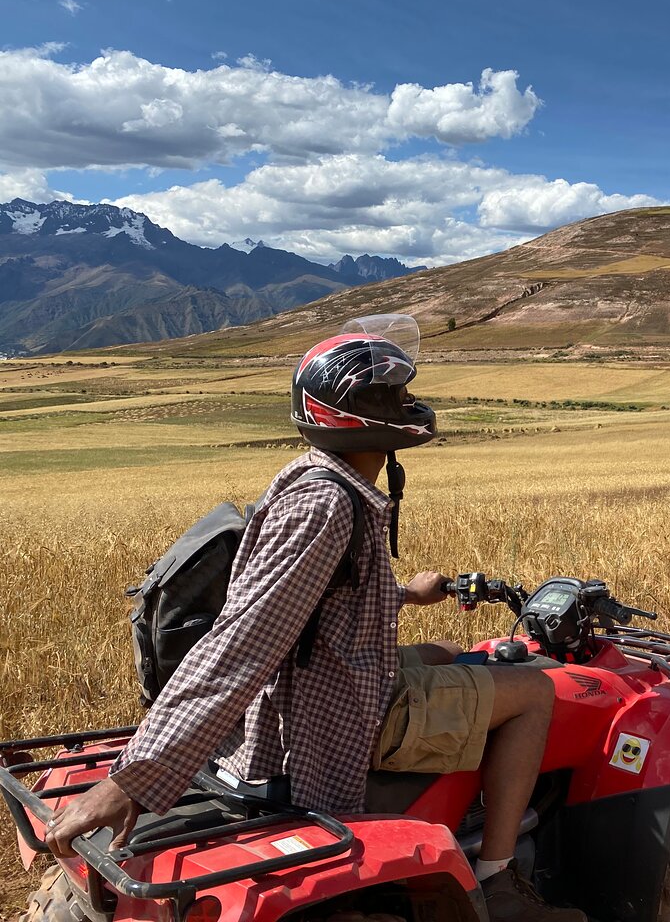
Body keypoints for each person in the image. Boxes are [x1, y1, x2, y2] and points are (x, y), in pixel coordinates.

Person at [44, 315, 584, 922]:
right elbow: (241, 645)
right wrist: (135, 778)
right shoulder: (327, 507)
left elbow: (312, 598)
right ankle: (502, 878)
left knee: (441, 650)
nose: (408, 405)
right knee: (536, 690)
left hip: (325, 674)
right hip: (324, 711)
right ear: (361, 416)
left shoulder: (322, 479)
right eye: (393, 396)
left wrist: (404, 593)